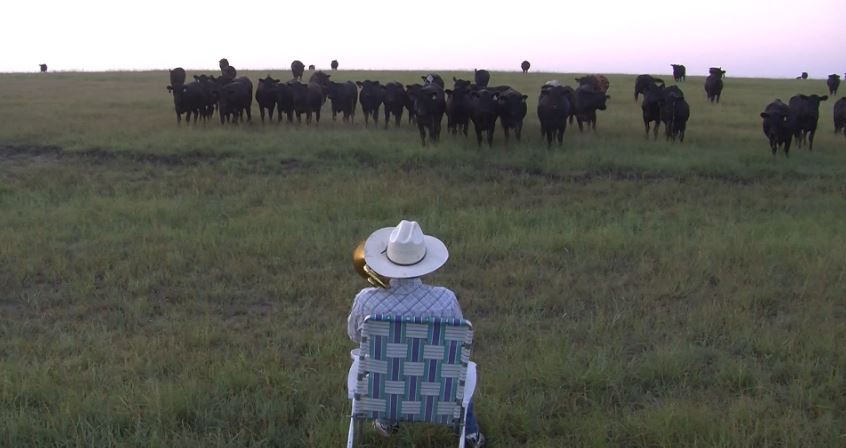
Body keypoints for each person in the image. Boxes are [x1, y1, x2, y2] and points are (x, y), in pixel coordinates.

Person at [347, 220, 485, 447]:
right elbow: (459, 346)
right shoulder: (446, 299)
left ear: (387, 259)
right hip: (437, 390)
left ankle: (387, 421)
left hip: (385, 389)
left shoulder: (365, 300)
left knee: (386, 365)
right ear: (424, 260)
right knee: (461, 371)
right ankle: (470, 435)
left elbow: (354, 336)